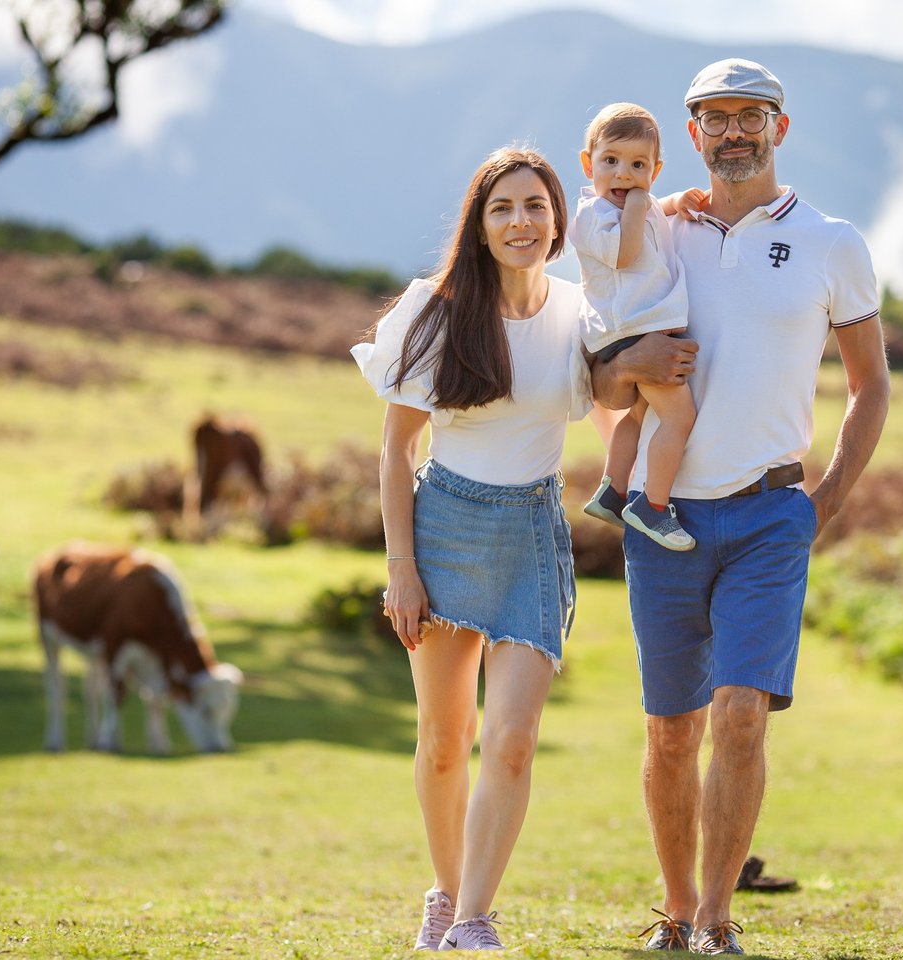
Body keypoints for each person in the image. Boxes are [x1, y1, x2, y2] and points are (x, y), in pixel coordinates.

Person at [591, 59, 891, 955]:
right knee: (670, 729)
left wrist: (826, 499)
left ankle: (719, 919)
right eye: (713, 118)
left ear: (779, 128)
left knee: (741, 715)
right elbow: (601, 373)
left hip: (770, 517)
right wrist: (624, 373)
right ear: (691, 135)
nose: (731, 131)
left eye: (749, 116)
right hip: (664, 519)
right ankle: (676, 914)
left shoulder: (833, 242)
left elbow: (870, 385)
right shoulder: (661, 229)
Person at [351, 146, 591, 952]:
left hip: (531, 532)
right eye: (503, 209)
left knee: (513, 739)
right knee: (446, 739)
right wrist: (402, 571)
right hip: (444, 526)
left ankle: (476, 921)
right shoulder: (438, 312)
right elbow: (394, 451)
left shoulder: (580, 313)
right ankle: (445, 894)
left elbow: (627, 390)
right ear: (480, 226)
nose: (521, 222)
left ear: (557, 219)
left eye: (535, 206)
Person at [571, 102, 704, 551]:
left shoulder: (635, 203)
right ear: (589, 163)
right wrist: (640, 205)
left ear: (655, 169)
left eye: (638, 166)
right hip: (633, 329)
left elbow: (650, 210)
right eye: (611, 162)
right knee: (679, 417)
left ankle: (613, 489)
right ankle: (653, 505)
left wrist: (671, 202)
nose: (624, 175)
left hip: (636, 326)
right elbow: (625, 254)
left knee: (640, 414)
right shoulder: (593, 215)